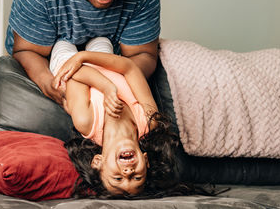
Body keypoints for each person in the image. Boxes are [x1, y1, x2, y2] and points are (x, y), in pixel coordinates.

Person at [5, 0, 160, 107]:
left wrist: (114, 84)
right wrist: (49, 84)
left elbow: (142, 54)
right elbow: (27, 50)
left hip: (109, 65)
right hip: (49, 62)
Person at [49, 38, 191, 197]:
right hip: (106, 62)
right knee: (102, 39)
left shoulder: (87, 122)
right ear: (146, 161)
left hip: (67, 67)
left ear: (98, 162)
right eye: (137, 177)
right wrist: (86, 57)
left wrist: (106, 86)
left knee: (63, 42)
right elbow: (130, 69)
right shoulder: (149, 120)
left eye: (117, 178)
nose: (128, 172)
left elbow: (73, 73)